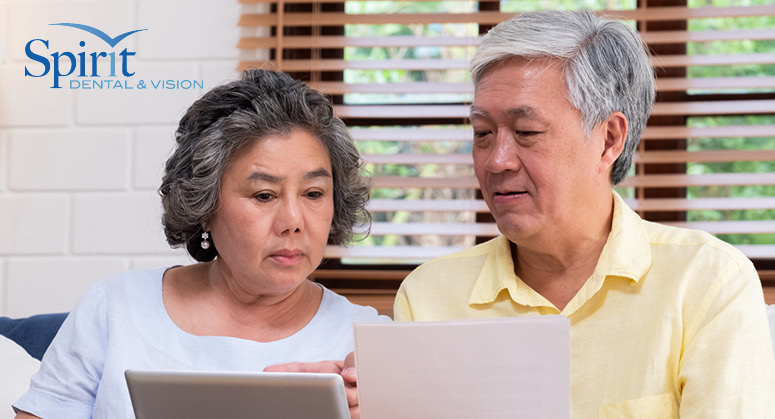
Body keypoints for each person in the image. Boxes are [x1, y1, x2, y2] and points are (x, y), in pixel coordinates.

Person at [393, 10, 775, 418]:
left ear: (609, 139)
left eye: (526, 133)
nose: (497, 161)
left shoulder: (706, 282)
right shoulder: (429, 297)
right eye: (483, 134)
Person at [13, 68, 387, 419]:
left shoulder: (368, 342)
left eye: (313, 193)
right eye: (263, 195)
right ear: (205, 204)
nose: (293, 222)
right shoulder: (115, 308)